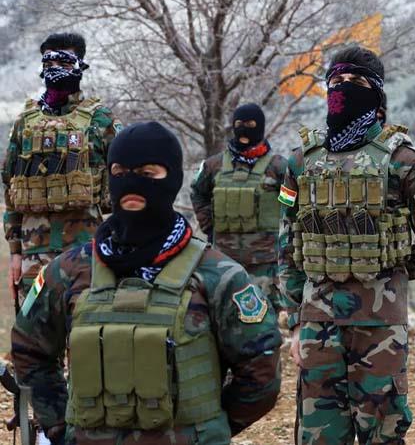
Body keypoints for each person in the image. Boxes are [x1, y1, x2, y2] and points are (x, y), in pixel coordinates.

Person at [11, 121, 282, 444]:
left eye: (147, 173)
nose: (131, 184)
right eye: (120, 172)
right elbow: (29, 348)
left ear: (173, 179)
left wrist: (210, 428)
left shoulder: (218, 274)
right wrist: (59, 426)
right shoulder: (69, 270)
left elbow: (261, 370)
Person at [279, 46, 415, 444]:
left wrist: (391, 268)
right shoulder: (301, 162)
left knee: (382, 435)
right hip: (317, 325)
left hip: (380, 329)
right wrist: (296, 321)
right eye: (336, 81)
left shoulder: (405, 161)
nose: (343, 88)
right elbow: (287, 245)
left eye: (356, 82)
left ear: (376, 93)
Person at [2, 32, 122, 309]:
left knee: (84, 329)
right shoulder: (24, 124)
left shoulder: (101, 120)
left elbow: (126, 182)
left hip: (87, 251)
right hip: (34, 255)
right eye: (49, 64)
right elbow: (10, 187)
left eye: (65, 63)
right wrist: (15, 253)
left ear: (80, 66)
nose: (55, 70)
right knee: (34, 332)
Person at [191, 103, 288, 312]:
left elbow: (294, 202)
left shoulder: (278, 166)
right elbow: (198, 193)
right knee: (222, 313)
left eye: (250, 124)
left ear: (260, 126)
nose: (244, 129)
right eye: (239, 124)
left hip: (265, 262)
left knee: (266, 315)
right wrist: (208, 225)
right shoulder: (213, 165)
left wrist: (287, 232)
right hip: (223, 259)